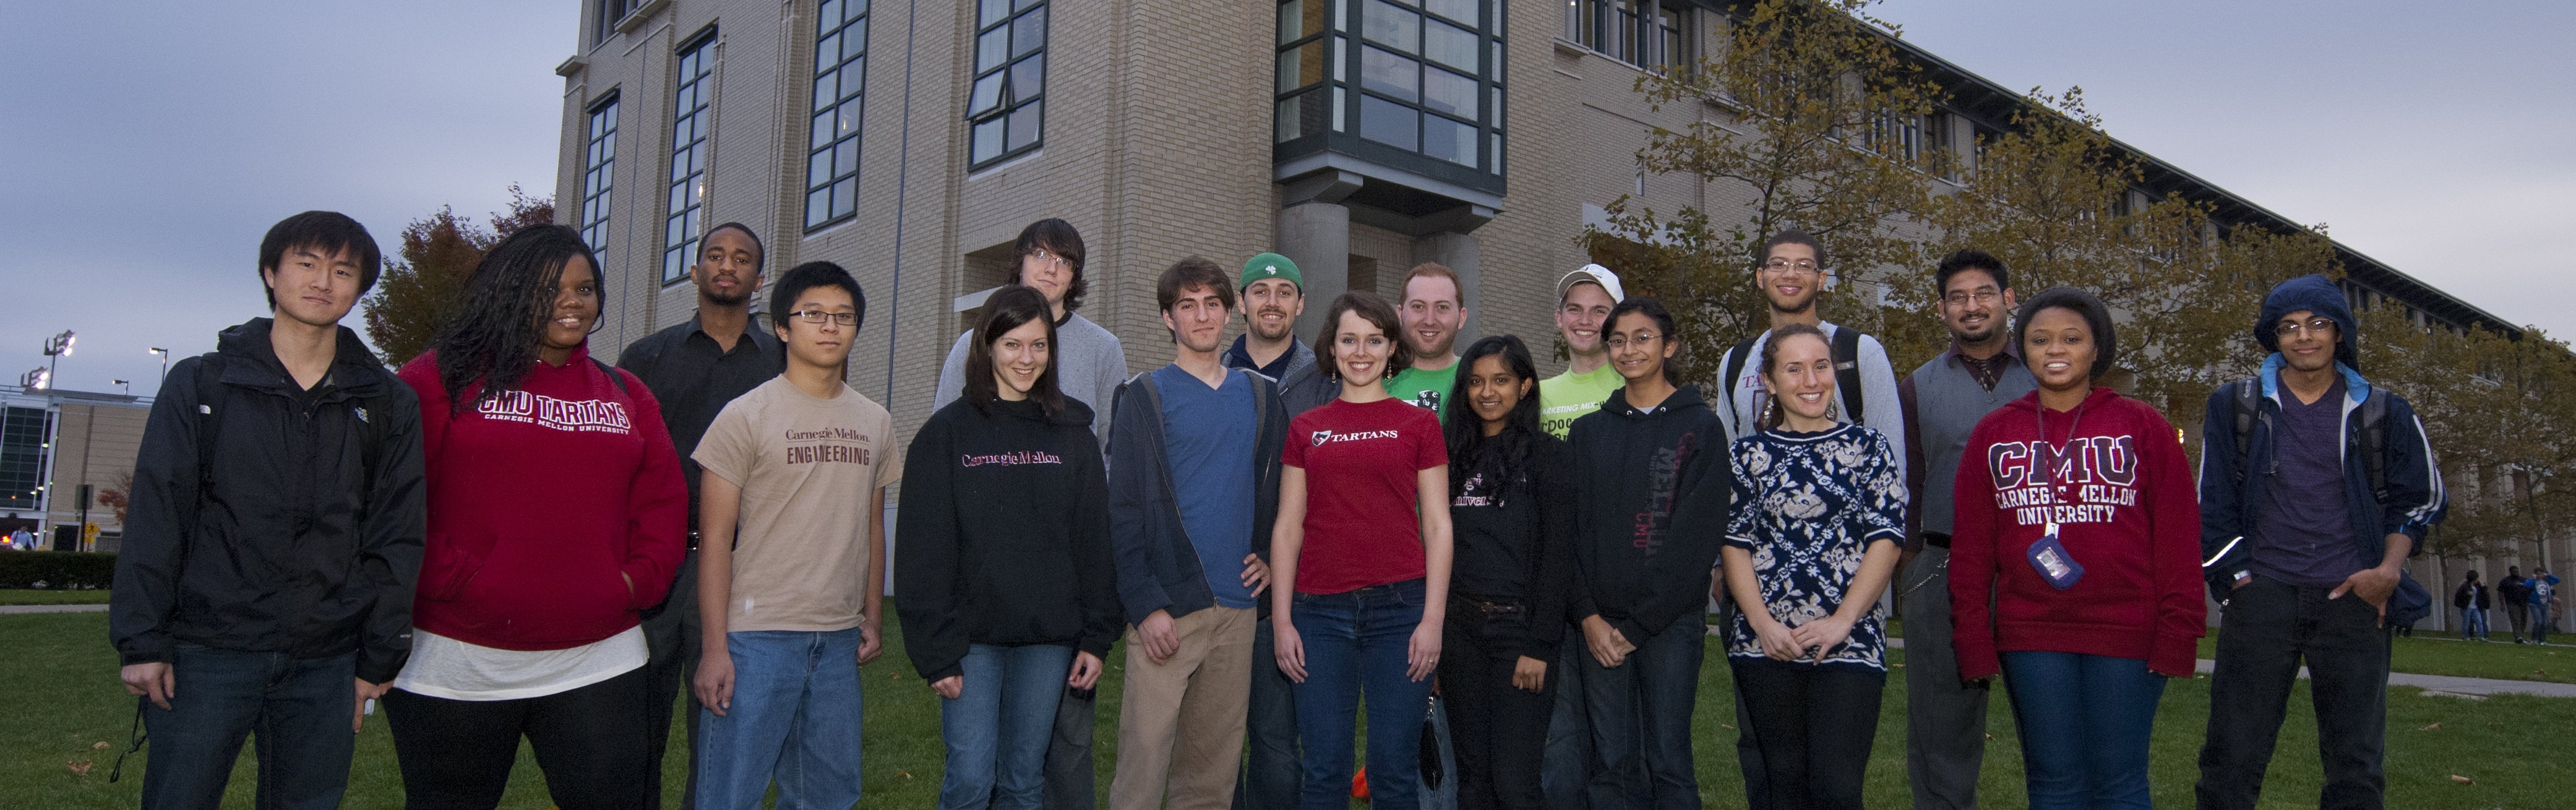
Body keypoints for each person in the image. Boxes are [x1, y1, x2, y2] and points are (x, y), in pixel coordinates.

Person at [109, 211, 425, 809]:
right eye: (306, 263)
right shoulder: (203, 384)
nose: (322, 281)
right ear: (271, 273)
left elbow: (397, 532)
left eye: (342, 270)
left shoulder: (387, 402)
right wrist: (142, 640)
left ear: (359, 289)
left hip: (327, 662)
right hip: (208, 653)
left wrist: (379, 654)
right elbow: (158, 514)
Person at [388, 225, 689, 809]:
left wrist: (631, 583)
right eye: (550, 288)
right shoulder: (437, 377)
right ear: (509, 288)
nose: (571, 302)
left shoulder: (625, 394)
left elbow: (662, 502)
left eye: (584, 288)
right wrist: (459, 581)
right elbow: (396, 501)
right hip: (458, 659)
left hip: (597, 658)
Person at [2193, 273, 2447, 810]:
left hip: (2354, 597)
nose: (2303, 336)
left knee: (2355, 763)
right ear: (2273, 337)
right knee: (2231, 758)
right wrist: (2237, 579)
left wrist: (2387, 572)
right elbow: (2211, 501)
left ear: (2339, 333)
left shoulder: (2385, 411)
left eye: (2317, 323)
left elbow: (2421, 497)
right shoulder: (2236, 405)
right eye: (2288, 326)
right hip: (2263, 595)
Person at [1948, 287, 2202, 810]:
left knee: (2121, 781)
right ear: (2024, 349)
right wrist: (1973, 636)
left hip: (2128, 630)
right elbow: (1973, 548)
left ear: (2096, 349)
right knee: (2053, 781)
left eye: (2071, 338)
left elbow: (2178, 538)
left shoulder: (2143, 425)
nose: (2055, 349)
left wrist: (2180, 631)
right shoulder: (1994, 433)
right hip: (2032, 633)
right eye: (2040, 339)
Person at [898, 285, 1121, 810]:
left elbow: (1093, 539)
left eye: (1039, 346)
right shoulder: (946, 434)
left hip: (1047, 639)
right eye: (1013, 344)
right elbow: (922, 549)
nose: (1027, 358)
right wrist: (936, 651)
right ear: (988, 347)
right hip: (969, 643)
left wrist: (1097, 636)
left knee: (1023, 782)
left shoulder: (1074, 435)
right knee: (971, 780)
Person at [688, 262, 898, 809]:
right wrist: (714, 648)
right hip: (755, 639)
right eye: (813, 315)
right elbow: (713, 539)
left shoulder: (875, 421)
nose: (830, 327)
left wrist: (871, 614)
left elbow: (871, 525)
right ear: (782, 326)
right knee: (729, 795)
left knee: (827, 797)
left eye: (843, 316)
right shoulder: (745, 417)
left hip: (836, 641)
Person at [1712, 230, 1904, 807]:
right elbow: (1734, 540)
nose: (1812, 380)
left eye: (1821, 367)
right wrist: (1764, 624)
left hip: (1847, 638)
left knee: (1838, 787)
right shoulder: (1747, 453)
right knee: (1782, 782)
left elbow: (1887, 533)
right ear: (1769, 381)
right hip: (1764, 639)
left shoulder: (1870, 447)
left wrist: (1845, 619)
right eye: (1794, 370)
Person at [1107, 257, 1286, 809]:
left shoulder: (1260, 396)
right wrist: (1144, 602)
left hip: (1236, 611)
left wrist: (1270, 556)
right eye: (1187, 305)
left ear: (1230, 312)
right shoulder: (1143, 396)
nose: (1202, 315)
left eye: (1212, 303)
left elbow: (1280, 492)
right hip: (1168, 608)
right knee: (1143, 768)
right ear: (1168, 318)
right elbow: (1124, 508)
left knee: (1211, 777)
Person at [616, 222, 783, 809]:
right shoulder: (645, 359)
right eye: (715, 255)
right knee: (633, 735)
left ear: (759, 279)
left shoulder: (785, 363)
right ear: (694, 271)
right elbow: (619, 464)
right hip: (656, 567)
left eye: (741, 259)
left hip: (745, 570)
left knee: (721, 733)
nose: (727, 266)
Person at [1269, 290, 1454, 810]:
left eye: (1374, 339)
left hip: (1401, 614)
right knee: (1325, 770)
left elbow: (1438, 526)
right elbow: (1288, 528)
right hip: (1319, 614)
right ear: (1333, 346)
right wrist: (1283, 621)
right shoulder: (1306, 427)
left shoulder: (1420, 425)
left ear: (1392, 347)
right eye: (1349, 339)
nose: (1361, 351)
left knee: (1393, 773)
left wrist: (1432, 620)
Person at [1566, 296, 1729, 810]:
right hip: (1598, 625)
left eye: (1643, 338)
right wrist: (1589, 617)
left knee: (1668, 761)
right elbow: (1571, 532)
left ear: (1670, 346)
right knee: (1610, 762)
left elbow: (1696, 542)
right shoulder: (1588, 432)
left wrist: (1637, 628)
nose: (1629, 349)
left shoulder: (1700, 427)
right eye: (1618, 340)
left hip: (1668, 625)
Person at [1894, 249, 2034, 810]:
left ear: (2008, 299)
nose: (1971, 306)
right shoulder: (1918, 386)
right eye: (1957, 297)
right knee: (1941, 727)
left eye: (1983, 294)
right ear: (1942, 309)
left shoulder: (2050, 374)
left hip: (2037, 568)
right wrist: (1913, 568)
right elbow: (1908, 483)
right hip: (1943, 567)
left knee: (2051, 720)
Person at [1435, 334, 1577, 810]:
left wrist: (1539, 645)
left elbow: (1559, 556)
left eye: (1501, 380)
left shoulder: (1549, 455)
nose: (1487, 391)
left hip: (1520, 636)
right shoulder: (1451, 455)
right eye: (1475, 381)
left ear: (1526, 385)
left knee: (1515, 783)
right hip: (1460, 633)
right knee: (1473, 782)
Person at [1223, 252, 1331, 810]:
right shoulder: (1211, 373)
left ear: (1300, 304)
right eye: (1260, 291)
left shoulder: (1325, 383)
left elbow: (1331, 492)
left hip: (1286, 593)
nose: (1272, 301)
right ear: (1241, 303)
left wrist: (1276, 556)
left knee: (1274, 741)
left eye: (1284, 291)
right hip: (1215, 585)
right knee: (1212, 744)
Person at [1534, 264, 1623, 810]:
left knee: (1619, 740)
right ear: (1558, 318)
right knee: (1562, 737)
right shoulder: (1539, 394)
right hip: (1555, 585)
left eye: (1599, 309)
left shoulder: (1634, 386)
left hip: (1619, 588)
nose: (1585, 320)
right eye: (1575, 309)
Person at [1385, 263, 1471, 421]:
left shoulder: (1477, 383)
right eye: (1418, 306)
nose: (1429, 320)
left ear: (1462, 318)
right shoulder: (1372, 380)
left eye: (1442, 307)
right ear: (1400, 314)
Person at [2453, 571, 2489, 641]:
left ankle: (2481, 636)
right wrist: (2462, 605)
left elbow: (2485, 593)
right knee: (2466, 622)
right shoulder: (2465, 586)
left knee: (2479, 621)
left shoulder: (2478, 587)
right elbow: (2459, 595)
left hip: (2475, 607)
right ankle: (2465, 636)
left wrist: (2483, 586)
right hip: (2467, 608)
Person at [2501, 567, 2531, 643]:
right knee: (2515, 620)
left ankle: (2520, 636)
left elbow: (2530, 590)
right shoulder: (2506, 581)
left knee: (2523, 620)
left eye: (2518, 571)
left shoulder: (2524, 580)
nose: (2517, 573)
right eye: (2515, 571)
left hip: (2523, 603)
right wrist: (2502, 604)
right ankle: (2518, 637)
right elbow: (2500, 592)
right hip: (2512, 603)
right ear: (2511, 572)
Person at [2531, 569, 2561, 644]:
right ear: (2535, 574)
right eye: (2538, 574)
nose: (2540, 575)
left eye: (2541, 574)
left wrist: (2547, 575)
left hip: (2544, 604)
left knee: (2544, 623)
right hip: (2535, 604)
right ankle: (2534, 639)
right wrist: (2534, 578)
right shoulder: (2533, 582)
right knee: (2538, 621)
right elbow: (2527, 584)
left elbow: (2557, 580)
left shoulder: (2547, 582)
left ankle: (2543, 640)